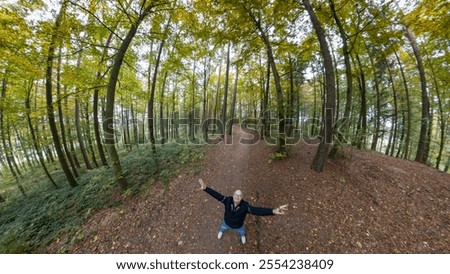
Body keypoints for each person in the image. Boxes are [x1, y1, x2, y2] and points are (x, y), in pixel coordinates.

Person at [198, 178, 288, 244]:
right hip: (226, 223)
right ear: (233, 195)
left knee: (242, 231)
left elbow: (257, 210)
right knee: (222, 227)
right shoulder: (227, 200)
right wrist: (206, 188)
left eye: (240, 195)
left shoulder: (245, 206)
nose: (237, 196)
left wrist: (273, 211)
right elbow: (217, 195)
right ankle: (221, 231)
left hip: (238, 226)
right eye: (236, 194)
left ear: (242, 197)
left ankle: (242, 236)